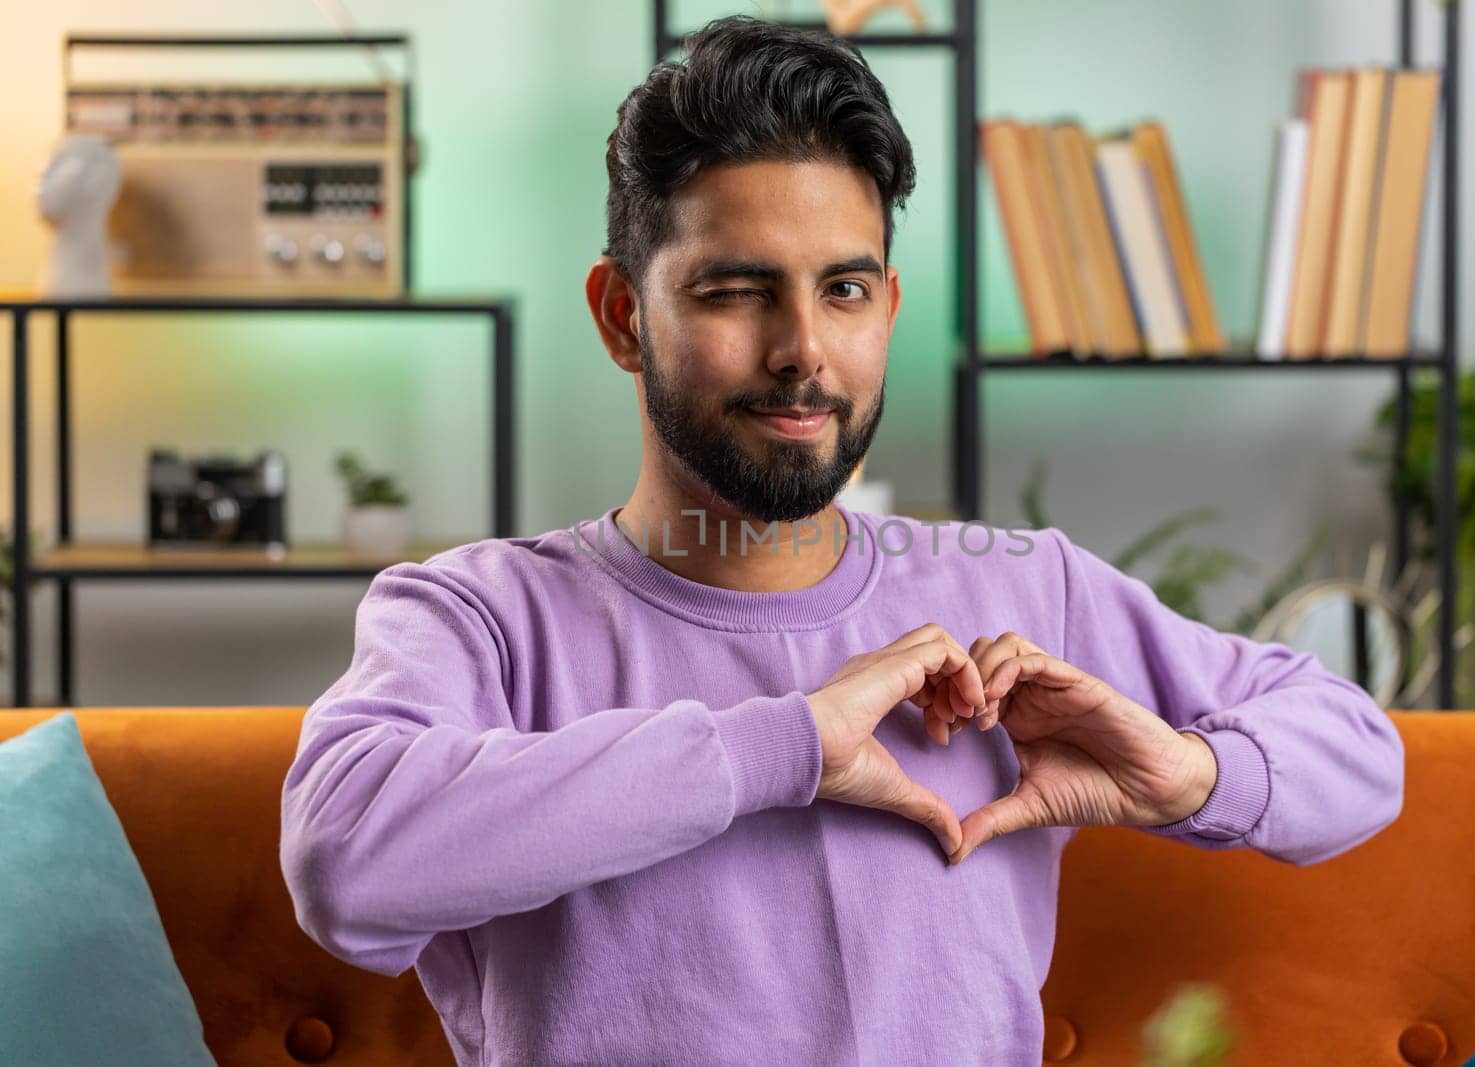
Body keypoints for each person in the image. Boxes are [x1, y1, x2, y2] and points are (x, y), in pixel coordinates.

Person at [279, 14, 1405, 1065]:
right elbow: (344, 858)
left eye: (845, 289)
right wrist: (787, 745)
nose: (803, 348)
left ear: (888, 309)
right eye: (736, 290)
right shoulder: (479, 614)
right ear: (625, 316)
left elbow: (1358, 753)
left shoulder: (1023, 590)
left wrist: (1186, 773)